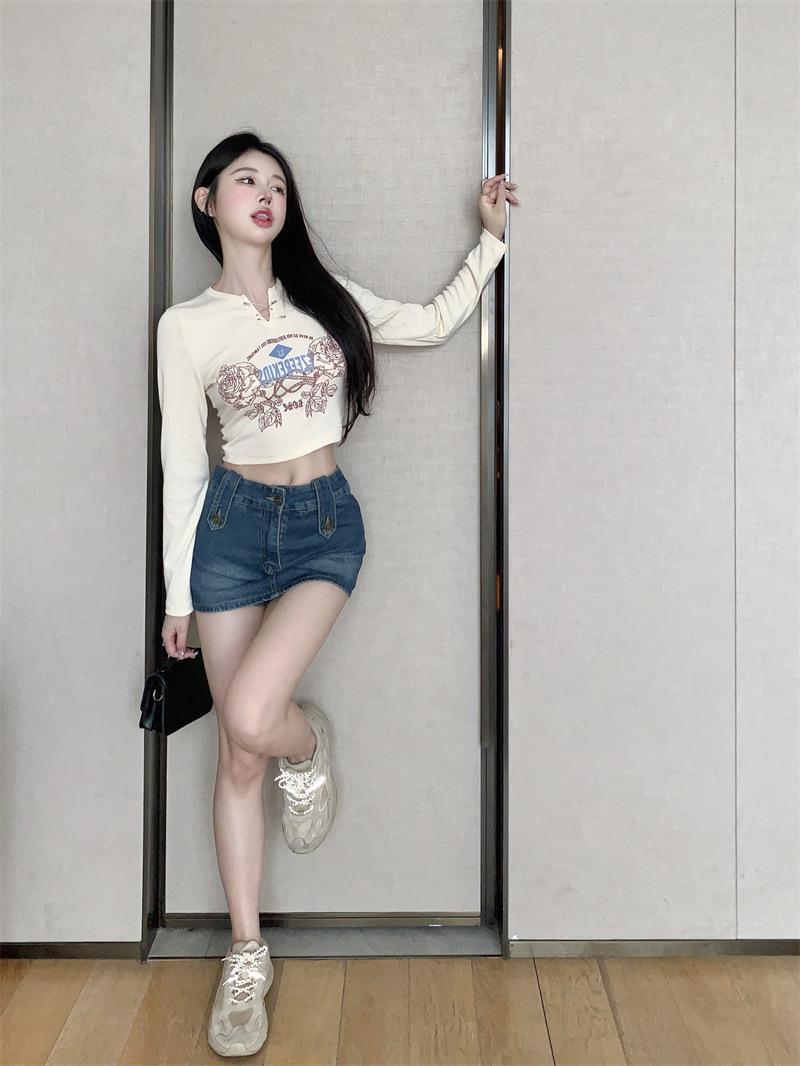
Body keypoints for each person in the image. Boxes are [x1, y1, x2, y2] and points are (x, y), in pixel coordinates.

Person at [155, 129, 518, 1057]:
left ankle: (306, 744)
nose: (265, 193)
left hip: (322, 525)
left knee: (252, 717)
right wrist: (176, 595)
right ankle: (247, 957)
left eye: (278, 183)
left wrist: (489, 240)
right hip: (230, 532)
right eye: (246, 179)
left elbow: (430, 323)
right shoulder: (185, 326)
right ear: (207, 201)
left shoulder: (323, 299)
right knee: (238, 753)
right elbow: (182, 464)